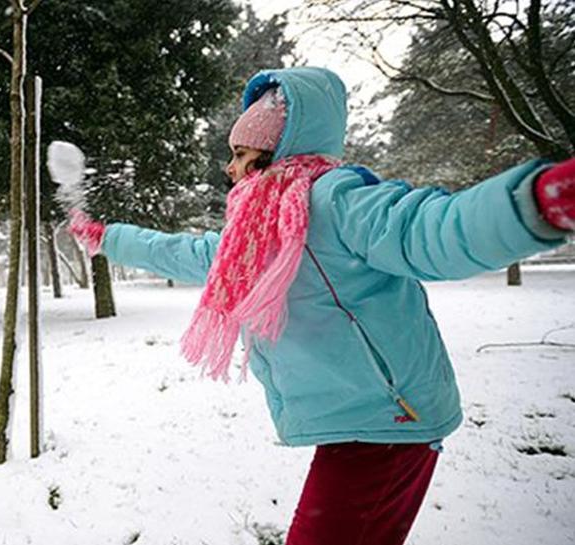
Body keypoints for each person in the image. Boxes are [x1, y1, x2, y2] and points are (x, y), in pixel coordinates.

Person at [67, 67, 575, 545]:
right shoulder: (255, 231)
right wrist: (109, 237)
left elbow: (434, 227)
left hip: (390, 418)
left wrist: (535, 202)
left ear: (279, 153)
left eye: (243, 152)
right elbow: (182, 251)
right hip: (359, 421)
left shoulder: (337, 201)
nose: (230, 166)